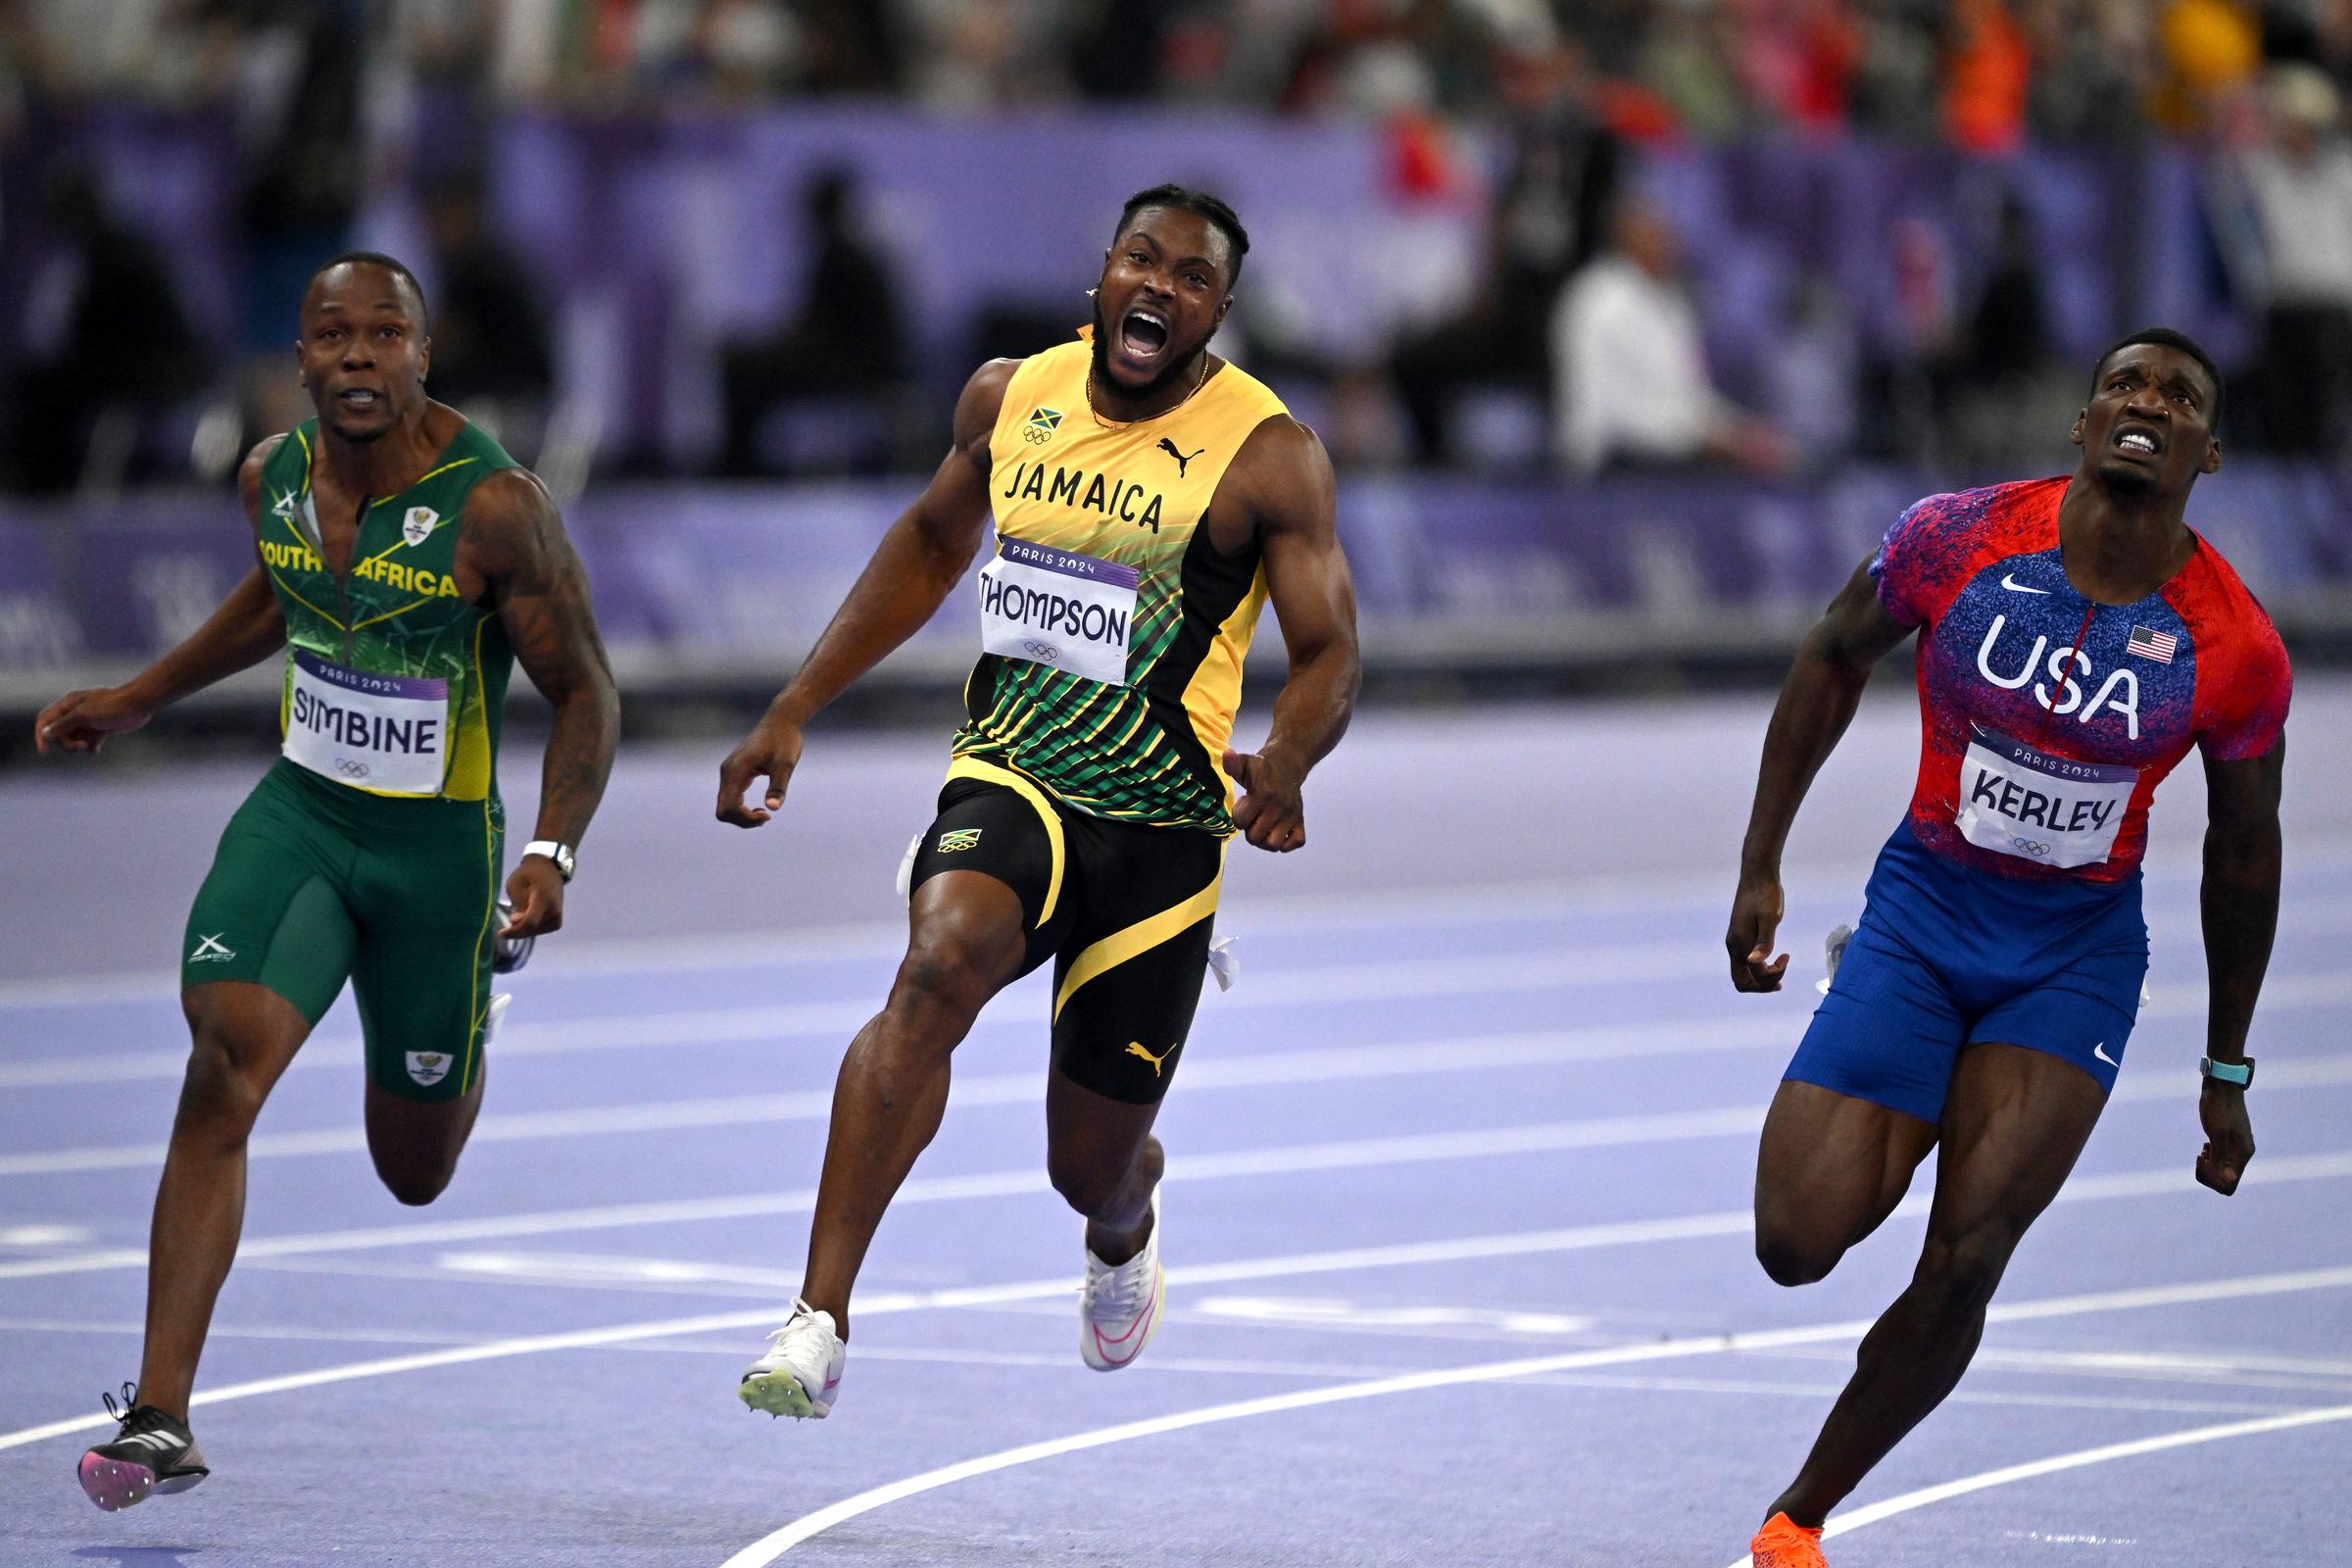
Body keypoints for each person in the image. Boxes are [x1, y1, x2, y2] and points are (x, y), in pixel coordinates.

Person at [715, 184, 1359, 1419]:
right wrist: (794, 706)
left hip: (1162, 830)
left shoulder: (1267, 453)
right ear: (1101, 276)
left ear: (1218, 312)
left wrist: (1287, 760)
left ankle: (1128, 1220)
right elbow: (926, 545)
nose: (1158, 288)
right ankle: (817, 1319)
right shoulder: (1013, 395)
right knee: (936, 964)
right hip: (1012, 771)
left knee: (1087, 1166)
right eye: (1140, 260)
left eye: (1190, 278)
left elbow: (1331, 649)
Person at [37, 254, 621, 1510]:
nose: (357, 357)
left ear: (424, 353)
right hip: (302, 817)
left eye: (385, 335)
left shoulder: (495, 509)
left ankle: (465, 1015)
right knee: (219, 1067)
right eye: (331, 337)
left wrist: (550, 851)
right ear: (296, 359)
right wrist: (139, 697)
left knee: (412, 1171)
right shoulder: (273, 476)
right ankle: (160, 1415)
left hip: (437, 859)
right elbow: (279, 595)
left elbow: (586, 692)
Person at [1725, 327, 2290, 1567]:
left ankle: (1799, 1514)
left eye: (2179, 397)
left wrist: (2228, 1067)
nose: (2148, 404)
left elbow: (2245, 855)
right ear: (2082, 425)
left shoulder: (2234, 645)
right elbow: (1830, 653)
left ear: (2210, 451)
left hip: (2069, 961)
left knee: (1969, 1248)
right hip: (1923, 917)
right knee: (1794, 1241)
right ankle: (1904, 1056)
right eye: (2125, 386)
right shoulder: (1958, 536)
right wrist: (1762, 857)